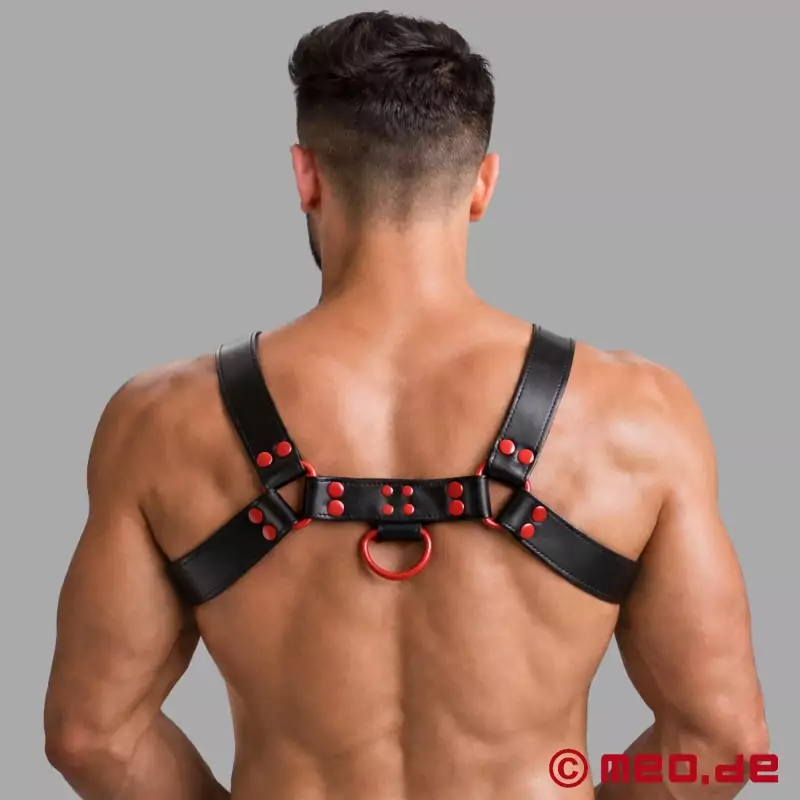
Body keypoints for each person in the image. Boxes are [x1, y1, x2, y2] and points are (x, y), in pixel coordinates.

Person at [44, 11, 768, 800]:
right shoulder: (638, 414)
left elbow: (92, 736)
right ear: (483, 184)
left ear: (305, 176)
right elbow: (724, 743)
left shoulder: (162, 422)